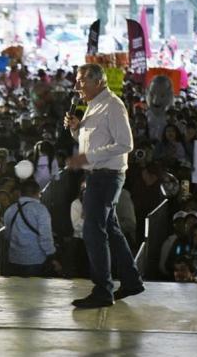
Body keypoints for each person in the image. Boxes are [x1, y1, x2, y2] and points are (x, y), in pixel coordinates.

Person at [65, 64, 144, 309]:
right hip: (97, 175)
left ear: (98, 81)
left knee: (93, 231)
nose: (77, 86)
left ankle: (103, 290)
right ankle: (131, 280)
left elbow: (126, 144)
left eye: (81, 81)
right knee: (110, 229)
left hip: (107, 176)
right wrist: (76, 129)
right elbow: (87, 140)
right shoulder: (92, 104)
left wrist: (87, 158)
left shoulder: (113, 105)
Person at [3, 179, 58, 278]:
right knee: (34, 292)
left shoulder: (10, 210)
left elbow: (7, 235)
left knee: (16, 291)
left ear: (21, 193)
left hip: (14, 259)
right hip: (35, 259)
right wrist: (52, 256)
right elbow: (45, 237)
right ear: (37, 193)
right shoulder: (40, 210)